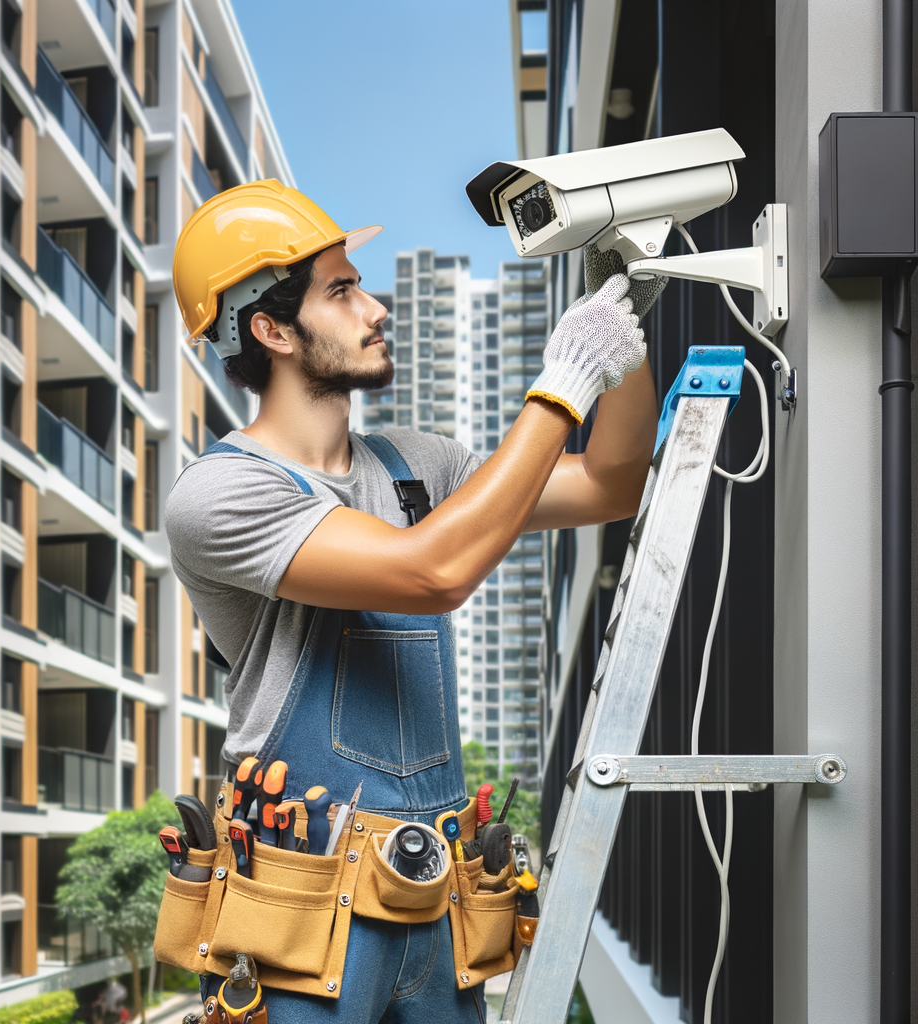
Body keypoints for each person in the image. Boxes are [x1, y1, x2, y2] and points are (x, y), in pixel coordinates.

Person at [164, 180, 665, 1023]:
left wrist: (624, 337)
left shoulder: (411, 466)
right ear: (272, 328)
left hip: (434, 900)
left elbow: (612, 484)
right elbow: (431, 571)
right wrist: (565, 382)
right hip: (303, 912)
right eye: (342, 289)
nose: (376, 305)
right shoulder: (220, 494)